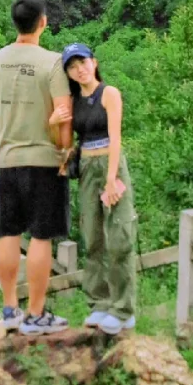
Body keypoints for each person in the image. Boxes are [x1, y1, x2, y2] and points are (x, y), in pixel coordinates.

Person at [0, 0, 74, 334]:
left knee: (7, 231)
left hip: (8, 159)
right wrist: (65, 152)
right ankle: (35, 315)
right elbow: (63, 116)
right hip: (44, 161)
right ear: (43, 23)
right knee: (40, 235)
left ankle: (10, 309)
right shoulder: (53, 63)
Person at [61, 41, 137, 335]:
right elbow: (66, 139)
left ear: (94, 62)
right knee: (92, 237)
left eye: (82, 62)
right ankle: (99, 304)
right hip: (87, 169)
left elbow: (116, 137)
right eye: (72, 66)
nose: (79, 69)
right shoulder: (74, 100)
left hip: (110, 164)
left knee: (119, 236)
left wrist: (112, 178)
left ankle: (123, 309)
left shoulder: (110, 93)